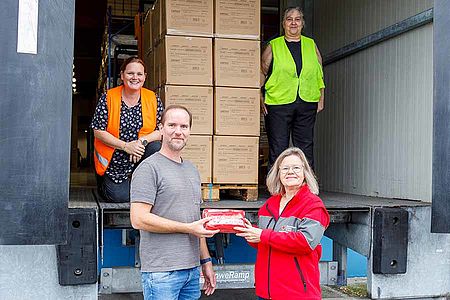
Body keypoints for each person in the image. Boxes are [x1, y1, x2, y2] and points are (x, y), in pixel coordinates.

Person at [130, 105, 219, 300]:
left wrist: (206, 261)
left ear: (189, 131)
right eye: (171, 125)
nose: (178, 131)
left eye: (184, 126)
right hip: (162, 272)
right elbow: (138, 219)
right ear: (161, 130)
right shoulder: (149, 168)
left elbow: (196, 223)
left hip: (191, 269)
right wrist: (188, 228)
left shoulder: (192, 170)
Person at [235, 147, 330, 300]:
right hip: (266, 292)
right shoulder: (269, 205)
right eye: (285, 168)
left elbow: (305, 242)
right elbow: (265, 242)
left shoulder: (313, 206)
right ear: (278, 173)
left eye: (296, 168)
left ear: (305, 172)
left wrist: (262, 235)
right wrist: (249, 231)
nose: (290, 172)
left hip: (297, 293)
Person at [90, 57, 163, 202]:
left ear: (144, 77)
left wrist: (141, 143)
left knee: (156, 147)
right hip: (114, 160)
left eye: (139, 74)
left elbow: (162, 130)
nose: (135, 77)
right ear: (122, 75)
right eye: (130, 73)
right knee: (119, 197)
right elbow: (98, 131)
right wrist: (126, 146)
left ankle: (144, 185)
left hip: (139, 154)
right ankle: (105, 183)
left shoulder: (153, 98)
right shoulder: (108, 97)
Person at [261, 7, 325, 170]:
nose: (294, 22)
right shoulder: (274, 45)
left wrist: (321, 97)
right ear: (283, 24)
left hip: (307, 101)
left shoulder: (311, 45)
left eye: (297, 19)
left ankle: (306, 186)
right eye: (289, 19)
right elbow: (262, 71)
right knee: (278, 146)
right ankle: (276, 187)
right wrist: (259, 96)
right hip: (278, 102)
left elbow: (319, 72)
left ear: (303, 23)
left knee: (305, 147)